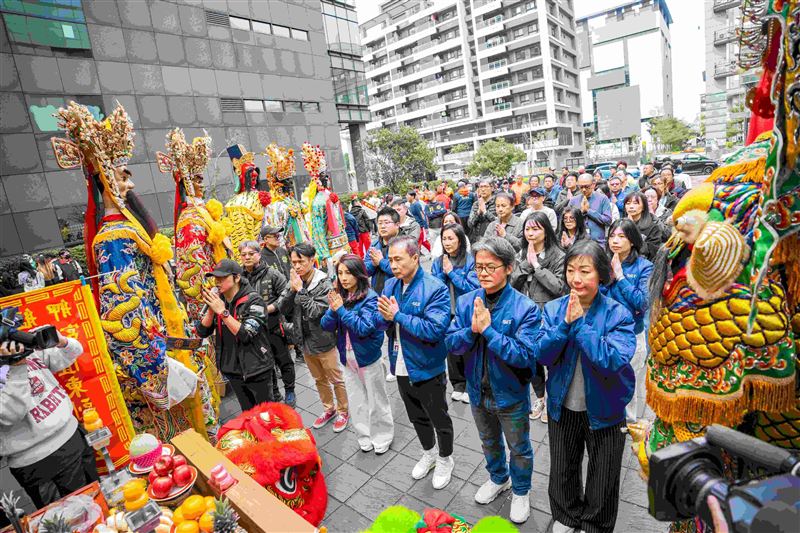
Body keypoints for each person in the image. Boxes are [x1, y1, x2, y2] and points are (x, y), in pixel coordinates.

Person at [534, 240, 635, 533]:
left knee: (603, 476)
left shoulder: (618, 314)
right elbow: (542, 353)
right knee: (563, 469)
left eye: (585, 271)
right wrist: (565, 325)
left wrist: (579, 325)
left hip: (605, 408)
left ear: (601, 274)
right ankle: (566, 516)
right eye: (570, 270)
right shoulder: (554, 309)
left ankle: (594, 525)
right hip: (563, 405)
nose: (575, 278)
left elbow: (612, 359)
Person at [445, 237, 540, 524]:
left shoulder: (525, 308)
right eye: (478, 267)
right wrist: (471, 331)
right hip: (477, 391)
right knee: (488, 442)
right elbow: (451, 343)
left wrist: (489, 332)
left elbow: (525, 355)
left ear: (509, 267)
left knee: (519, 447)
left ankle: (521, 490)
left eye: (490, 266)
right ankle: (499, 478)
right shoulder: (466, 302)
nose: (483, 272)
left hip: (510, 394)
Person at [374, 235, 455, 489]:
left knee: (438, 417)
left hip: (426, 365)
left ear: (415, 258)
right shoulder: (390, 285)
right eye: (390, 260)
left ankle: (445, 458)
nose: (393, 264)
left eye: (398, 259)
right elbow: (383, 322)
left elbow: (434, 330)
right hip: (400, 361)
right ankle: (428, 452)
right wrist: (385, 318)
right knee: (416, 416)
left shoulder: (435, 288)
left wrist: (398, 315)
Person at [0, 332, 99, 508]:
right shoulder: (12, 355)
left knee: (98, 501)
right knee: (72, 520)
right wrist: (16, 366)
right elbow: (9, 413)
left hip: (73, 434)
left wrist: (59, 340)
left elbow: (72, 352)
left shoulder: (19, 344)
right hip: (41, 460)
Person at [321, 254, 394, 453]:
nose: (343, 278)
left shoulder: (370, 297)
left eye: (348, 273)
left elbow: (363, 328)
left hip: (368, 357)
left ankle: (383, 436)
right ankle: (364, 435)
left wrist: (341, 310)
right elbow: (325, 325)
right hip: (346, 358)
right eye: (340, 273)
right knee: (357, 401)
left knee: (376, 400)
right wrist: (333, 309)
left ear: (358, 274)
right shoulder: (340, 297)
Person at [511, 211, 567, 423]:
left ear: (546, 231)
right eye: (527, 229)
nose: (531, 233)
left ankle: (552, 398)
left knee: (551, 358)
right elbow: (512, 282)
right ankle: (540, 397)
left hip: (549, 314)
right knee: (532, 360)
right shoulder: (520, 254)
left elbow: (559, 288)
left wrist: (537, 266)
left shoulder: (558, 255)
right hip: (526, 315)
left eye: (536, 228)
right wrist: (526, 264)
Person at [288, 242, 349, 432]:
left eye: (301, 261)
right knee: (318, 379)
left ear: (312, 260)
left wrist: (300, 291)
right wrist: (291, 290)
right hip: (305, 341)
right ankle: (328, 408)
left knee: (335, 377)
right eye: (294, 262)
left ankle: (343, 411)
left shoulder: (324, 283)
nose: (297, 266)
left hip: (324, 340)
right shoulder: (296, 281)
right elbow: (284, 308)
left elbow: (316, 311)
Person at [197, 259, 273, 411]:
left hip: (256, 369)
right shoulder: (220, 300)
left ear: (237, 277)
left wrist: (223, 312)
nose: (217, 282)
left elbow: (246, 334)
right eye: (215, 278)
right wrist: (212, 310)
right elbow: (202, 332)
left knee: (267, 414)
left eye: (222, 278)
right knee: (248, 413)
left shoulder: (254, 301)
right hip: (232, 370)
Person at [604, 220, 653, 425]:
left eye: (621, 236)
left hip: (632, 335)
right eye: (612, 236)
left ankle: (628, 424)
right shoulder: (603, 262)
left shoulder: (644, 266)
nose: (615, 241)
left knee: (627, 383)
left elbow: (642, 303)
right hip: (605, 333)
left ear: (632, 240)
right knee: (604, 380)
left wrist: (621, 277)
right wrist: (609, 279)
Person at [239, 241, 295, 407]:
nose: (247, 257)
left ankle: (290, 390)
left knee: (283, 359)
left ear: (259, 254)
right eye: (244, 254)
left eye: (251, 253)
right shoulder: (240, 278)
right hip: (254, 330)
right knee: (265, 364)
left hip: (273, 325)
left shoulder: (272, 274)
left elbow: (287, 293)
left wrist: (270, 308)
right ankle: (275, 393)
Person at [431, 223, 479, 403]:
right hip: (446, 312)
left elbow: (471, 288)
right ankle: (458, 384)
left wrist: (451, 273)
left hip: (464, 312)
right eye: (444, 238)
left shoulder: (470, 260)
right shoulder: (438, 261)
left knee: (468, 348)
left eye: (451, 238)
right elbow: (435, 287)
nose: (447, 242)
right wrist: (443, 273)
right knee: (452, 350)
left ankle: (471, 384)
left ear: (460, 239)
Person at [569, 174, 612, 246]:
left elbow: (608, 220)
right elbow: (568, 220)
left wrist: (589, 211)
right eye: (581, 187)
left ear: (593, 184)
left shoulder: (602, 199)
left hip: (598, 244)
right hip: (578, 244)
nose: (583, 190)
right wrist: (581, 213)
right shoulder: (574, 200)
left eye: (586, 187)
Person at [366, 207, 401, 295]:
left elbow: (403, 270)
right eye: (380, 223)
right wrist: (373, 264)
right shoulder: (374, 245)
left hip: (397, 294)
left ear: (397, 225)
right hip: (377, 294)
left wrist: (381, 262)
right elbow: (364, 271)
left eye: (386, 222)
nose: (382, 226)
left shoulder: (404, 244)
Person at [623, 191, 665, 261]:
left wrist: (632, 228)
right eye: (628, 203)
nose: (631, 206)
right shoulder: (621, 224)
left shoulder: (653, 227)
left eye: (635, 203)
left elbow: (651, 252)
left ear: (643, 207)